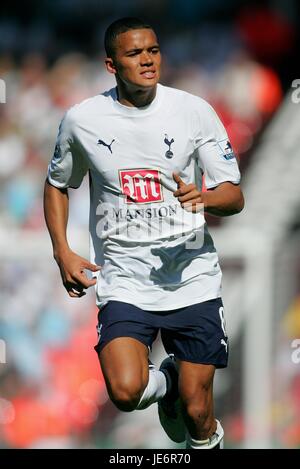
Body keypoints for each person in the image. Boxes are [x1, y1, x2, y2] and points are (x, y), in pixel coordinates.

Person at [44, 17, 244, 449]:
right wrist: (63, 251)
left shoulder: (193, 111)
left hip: (191, 276)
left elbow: (234, 194)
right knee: (124, 392)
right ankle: (167, 382)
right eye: (134, 54)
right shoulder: (83, 120)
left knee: (197, 413)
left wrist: (205, 198)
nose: (148, 60)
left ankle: (194, 416)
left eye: (153, 50)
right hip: (126, 278)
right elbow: (58, 184)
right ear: (111, 65)